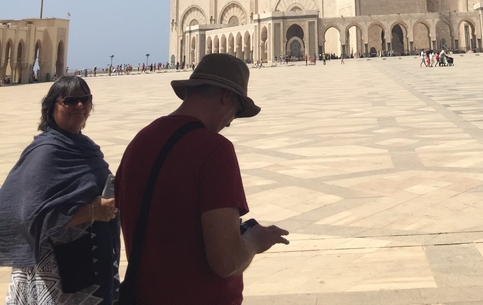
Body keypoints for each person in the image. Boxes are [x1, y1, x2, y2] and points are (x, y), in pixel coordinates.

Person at [116, 53, 288, 305]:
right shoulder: (214, 149)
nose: (231, 122)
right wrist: (255, 240)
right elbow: (226, 261)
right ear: (226, 96)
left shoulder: (140, 141)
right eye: (237, 111)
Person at [0, 76, 119, 304]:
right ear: (52, 106)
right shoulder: (46, 153)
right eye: (71, 101)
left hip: (94, 263)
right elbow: (34, 216)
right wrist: (93, 212)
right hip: (60, 271)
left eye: (86, 99)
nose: (80, 106)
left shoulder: (87, 148)